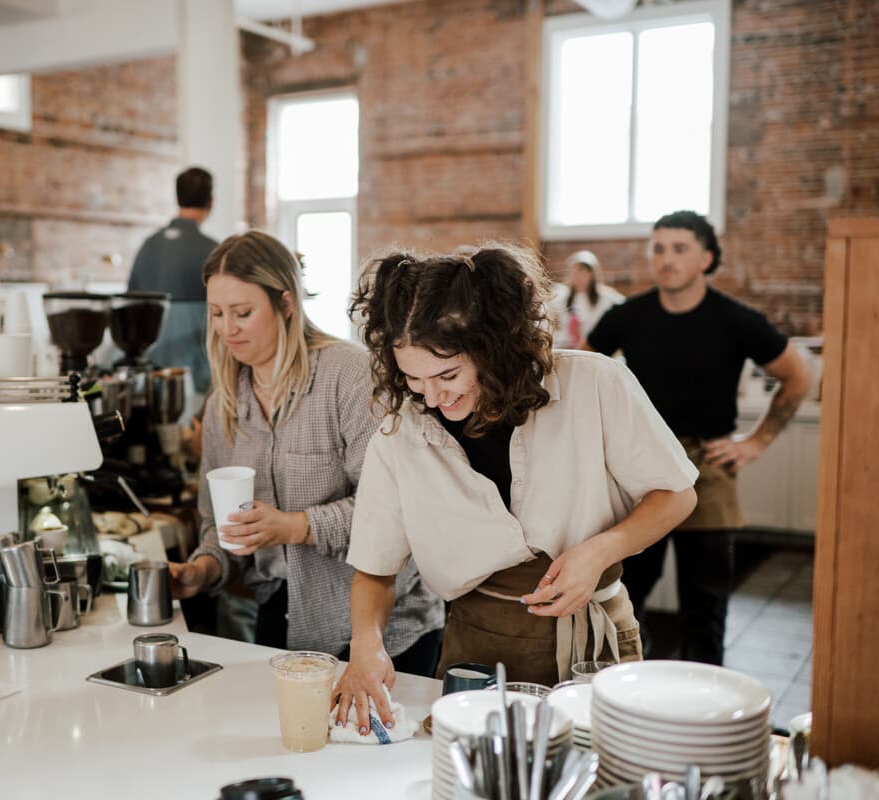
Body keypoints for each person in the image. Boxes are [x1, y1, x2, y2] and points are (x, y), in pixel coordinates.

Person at [333, 243, 699, 732]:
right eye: (413, 379)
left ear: (497, 346)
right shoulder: (401, 439)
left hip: (594, 640)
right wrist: (366, 646)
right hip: (476, 655)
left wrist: (598, 552)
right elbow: (375, 572)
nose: (434, 396)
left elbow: (677, 494)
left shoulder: (594, 384)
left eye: (448, 374)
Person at [168, 230, 444, 675]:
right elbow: (215, 522)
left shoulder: (349, 377)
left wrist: (296, 527)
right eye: (216, 313)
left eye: (242, 313)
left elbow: (396, 508)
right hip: (283, 617)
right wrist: (202, 570)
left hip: (382, 630)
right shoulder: (225, 400)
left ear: (286, 305)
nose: (226, 328)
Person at [585, 210, 812, 665]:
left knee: (705, 607)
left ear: (707, 258)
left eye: (679, 248)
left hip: (708, 468)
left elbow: (798, 376)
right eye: (659, 248)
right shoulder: (628, 316)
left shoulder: (734, 319)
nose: (666, 258)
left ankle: (705, 718)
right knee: (623, 594)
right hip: (641, 471)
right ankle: (630, 692)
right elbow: (580, 375)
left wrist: (756, 441)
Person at [127, 166, 219, 394]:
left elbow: (128, 308)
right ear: (210, 201)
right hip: (196, 381)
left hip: (149, 380)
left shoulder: (147, 246)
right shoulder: (214, 252)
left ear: (177, 198)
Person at [550, 249, 623, 348]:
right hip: (568, 347)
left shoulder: (606, 297)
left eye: (583, 271)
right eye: (575, 271)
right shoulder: (561, 297)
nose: (578, 275)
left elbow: (623, 309)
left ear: (592, 274)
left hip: (595, 348)